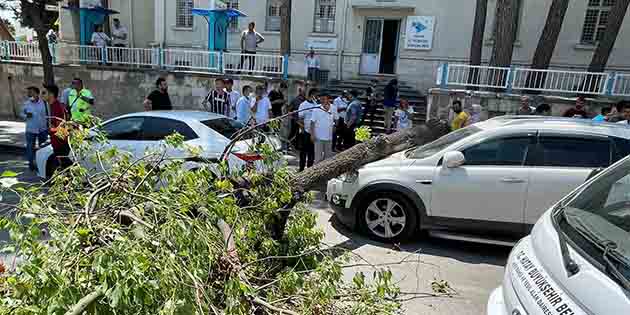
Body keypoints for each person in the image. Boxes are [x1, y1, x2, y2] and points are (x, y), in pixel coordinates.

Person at [43, 84, 71, 171]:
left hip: (61, 144)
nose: (42, 95)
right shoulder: (53, 105)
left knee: (66, 168)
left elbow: (61, 128)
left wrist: (50, 129)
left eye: (44, 93)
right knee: (64, 167)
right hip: (58, 143)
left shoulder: (57, 107)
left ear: (51, 94)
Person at [20, 87, 49, 171]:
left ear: (37, 94)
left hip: (42, 129)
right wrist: (26, 115)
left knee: (43, 148)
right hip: (30, 129)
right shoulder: (26, 104)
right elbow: (21, 113)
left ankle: (42, 165)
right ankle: (31, 164)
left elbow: (48, 114)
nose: (29, 94)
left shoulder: (44, 103)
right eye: (28, 93)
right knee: (30, 148)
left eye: (31, 93)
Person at [297, 89, 320, 171]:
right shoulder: (303, 105)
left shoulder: (317, 105)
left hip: (314, 133)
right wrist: (303, 130)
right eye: (316, 95)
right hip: (305, 132)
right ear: (312, 95)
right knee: (303, 152)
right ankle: (301, 169)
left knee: (312, 152)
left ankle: (309, 169)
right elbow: (300, 119)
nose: (318, 97)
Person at [310, 93, 335, 164]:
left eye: (324, 99)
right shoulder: (316, 109)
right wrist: (312, 134)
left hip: (329, 137)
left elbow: (335, 119)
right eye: (321, 99)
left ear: (328, 99)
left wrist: (334, 126)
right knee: (318, 158)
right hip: (318, 138)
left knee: (328, 158)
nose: (322, 100)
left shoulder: (333, 108)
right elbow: (312, 123)